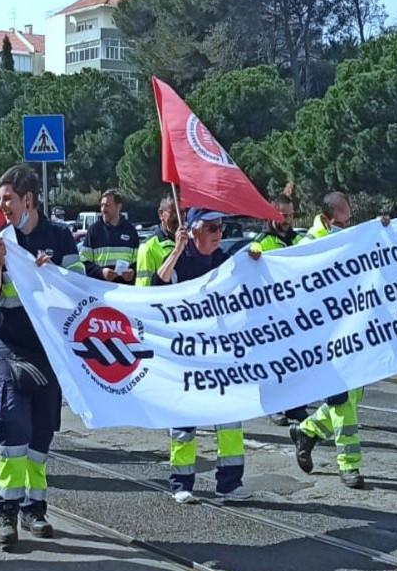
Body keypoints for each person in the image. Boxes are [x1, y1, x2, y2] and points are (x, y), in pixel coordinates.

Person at [0, 164, 83, 547]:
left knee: (41, 430)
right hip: (6, 343)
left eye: (7, 198)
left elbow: (78, 290)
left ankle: (33, 508)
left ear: (29, 199)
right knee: (10, 421)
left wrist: (53, 273)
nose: (1, 204)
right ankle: (5, 510)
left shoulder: (60, 237)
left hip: (48, 347)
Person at [155, 207, 249, 504]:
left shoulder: (223, 259)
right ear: (194, 230)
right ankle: (181, 483)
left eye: (221, 227)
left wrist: (256, 259)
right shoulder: (181, 258)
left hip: (220, 352)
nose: (219, 233)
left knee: (230, 420)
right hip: (187, 353)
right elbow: (157, 288)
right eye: (212, 228)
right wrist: (177, 250)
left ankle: (230, 484)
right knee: (184, 420)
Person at [287, 191, 368, 489]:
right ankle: (349, 465)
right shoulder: (307, 247)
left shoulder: (348, 240)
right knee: (342, 400)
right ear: (325, 219)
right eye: (341, 222)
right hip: (323, 339)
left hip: (351, 334)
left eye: (349, 222)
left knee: (354, 395)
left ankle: (307, 431)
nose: (346, 227)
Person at [246, 194, 309, 426]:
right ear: (271, 214)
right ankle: (274, 406)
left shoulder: (301, 240)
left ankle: (296, 406)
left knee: (297, 362)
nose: (287, 219)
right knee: (272, 363)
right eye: (283, 215)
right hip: (270, 317)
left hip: (296, 316)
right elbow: (248, 265)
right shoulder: (260, 244)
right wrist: (252, 257)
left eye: (291, 215)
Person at [82, 189, 139, 284]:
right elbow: (84, 261)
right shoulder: (94, 230)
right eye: (102, 205)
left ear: (119, 207)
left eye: (107, 205)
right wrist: (101, 272)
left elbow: (138, 261)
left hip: (125, 290)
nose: (103, 209)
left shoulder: (131, 230)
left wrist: (132, 272)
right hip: (101, 290)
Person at [134, 196, 179, 287]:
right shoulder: (148, 247)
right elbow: (143, 288)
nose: (178, 217)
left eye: (182, 212)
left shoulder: (190, 243)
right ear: (161, 214)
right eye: (173, 212)